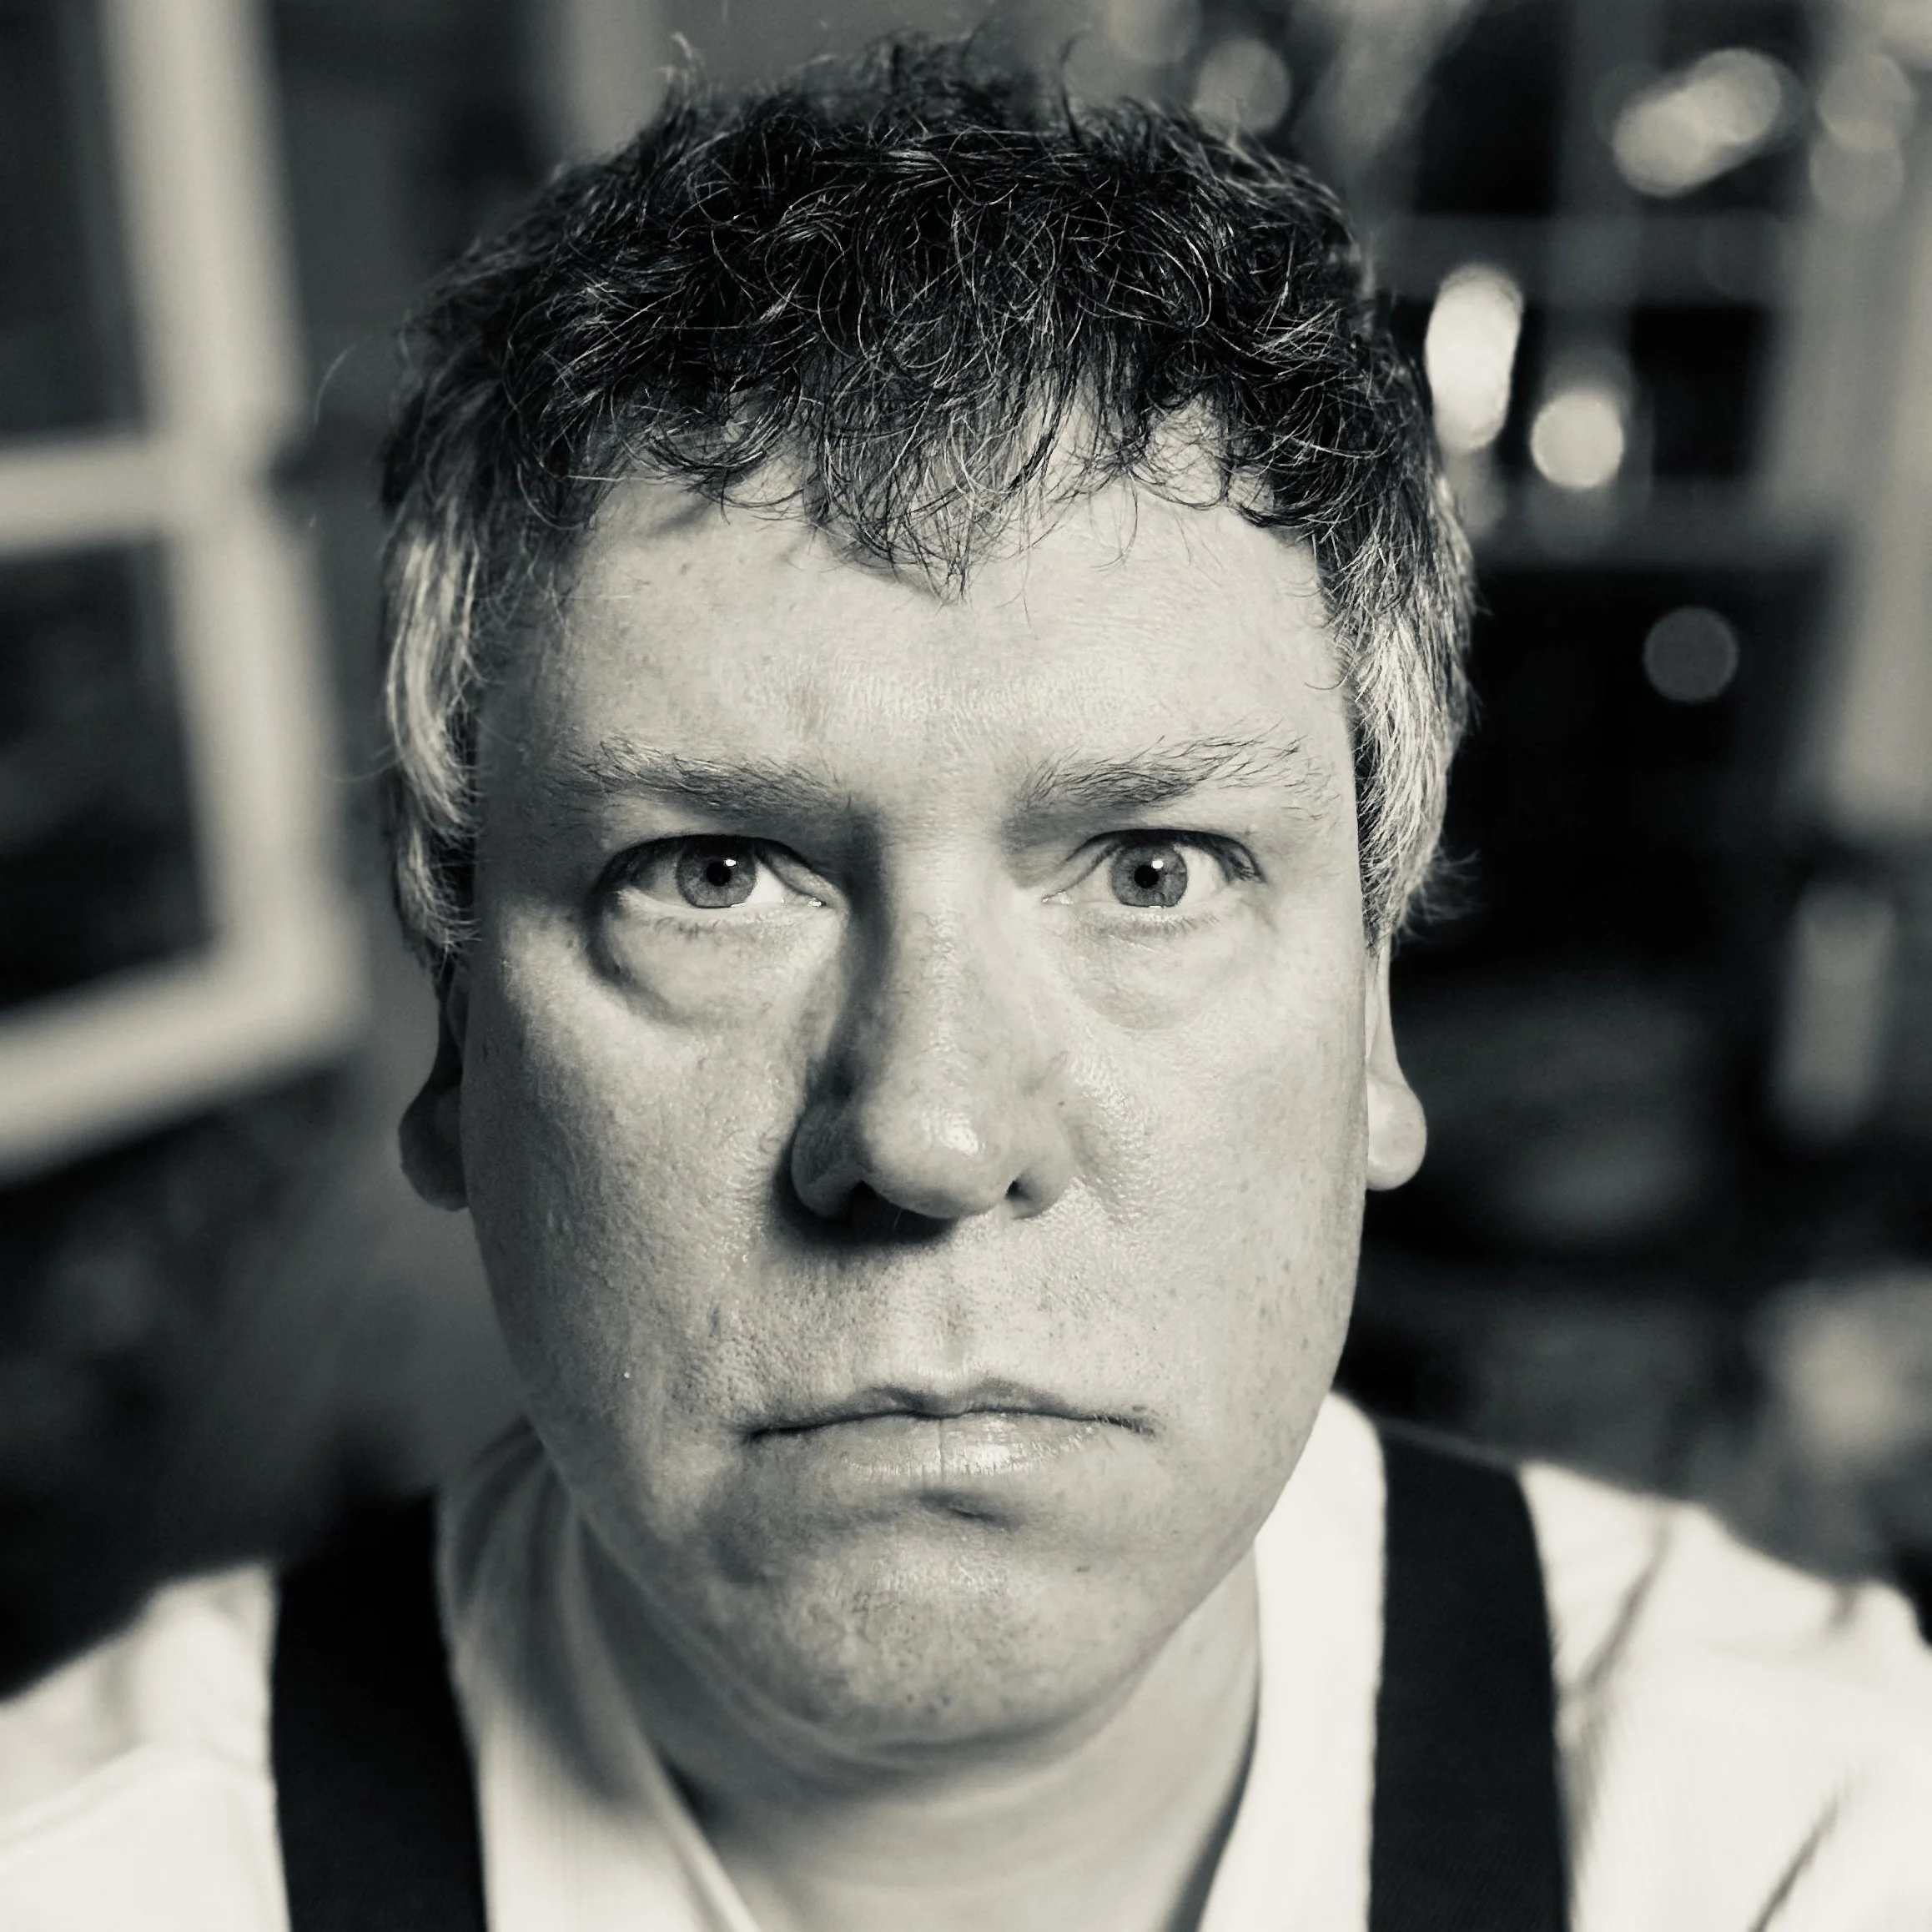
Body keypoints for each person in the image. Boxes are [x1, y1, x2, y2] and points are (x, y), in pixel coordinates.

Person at [3, 41, 1929, 1932]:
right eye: (711, 875)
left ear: (1371, 1030)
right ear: (455, 1038)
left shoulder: (1820, 1832)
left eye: (1153, 871)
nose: (926, 1134)